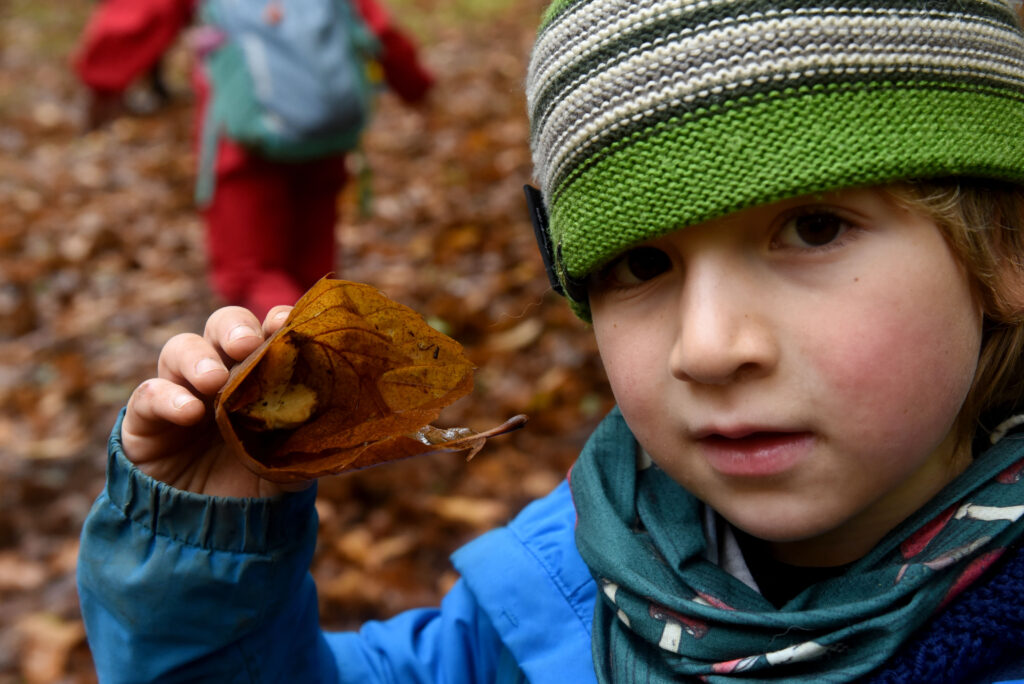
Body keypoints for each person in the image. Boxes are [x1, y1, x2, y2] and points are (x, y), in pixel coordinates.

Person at [77, 1, 1024, 681]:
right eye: (640, 265)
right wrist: (204, 542)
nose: (709, 346)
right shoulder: (563, 597)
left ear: (1003, 251)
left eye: (814, 229)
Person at [72, 0, 434, 319]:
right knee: (315, 270)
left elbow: (141, 12)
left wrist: (102, 80)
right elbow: (374, 24)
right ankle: (327, 359)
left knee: (249, 275)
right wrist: (415, 86)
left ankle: (297, 365)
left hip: (242, 141)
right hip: (325, 129)